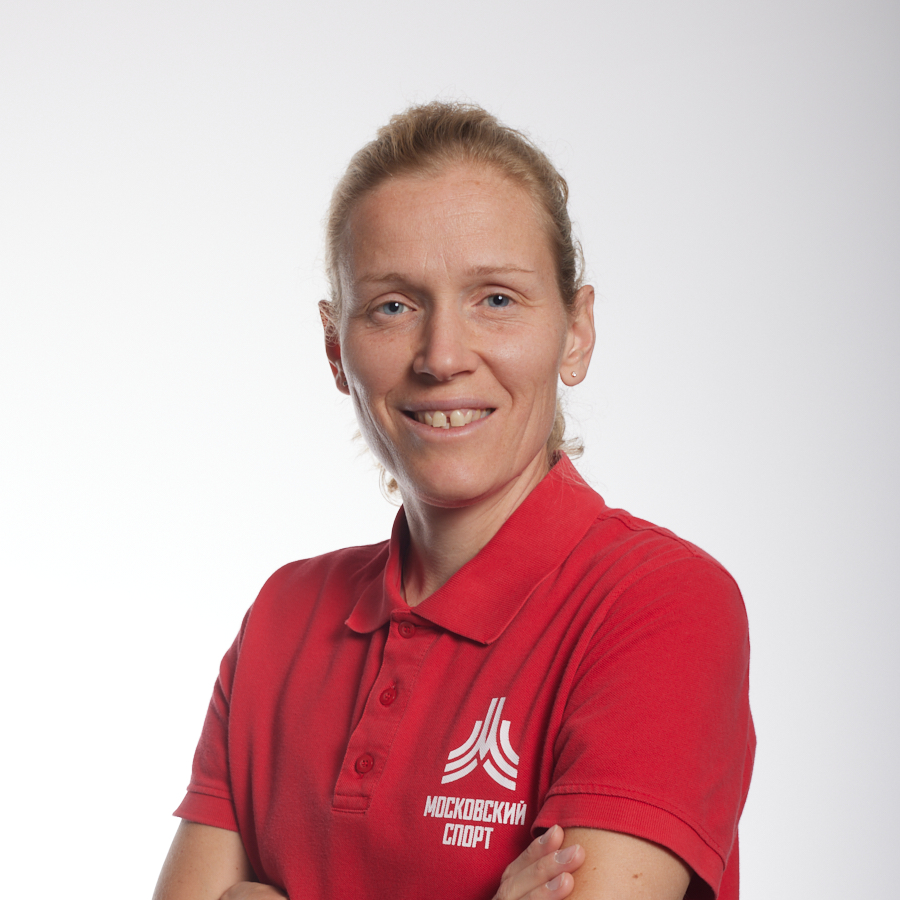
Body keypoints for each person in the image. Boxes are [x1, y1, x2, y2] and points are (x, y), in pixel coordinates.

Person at [153, 101, 754, 900]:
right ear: (335, 347)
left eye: (495, 299)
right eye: (393, 306)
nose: (442, 356)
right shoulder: (282, 619)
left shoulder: (658, 605)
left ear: (576, 331)